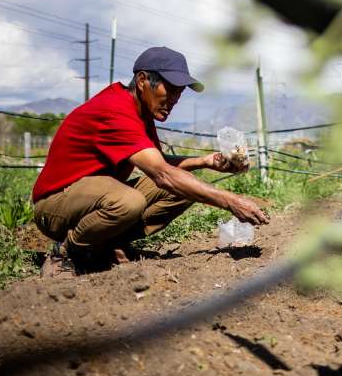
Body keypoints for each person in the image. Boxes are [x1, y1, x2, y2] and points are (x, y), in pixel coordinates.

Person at [31, 46, 269, 277]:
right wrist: (231, 201)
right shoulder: (115, 111)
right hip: (54, 205)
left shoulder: (140, 112)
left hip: (90, 200)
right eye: (171, 88)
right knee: (129, 201)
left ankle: (105, 244)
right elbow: (163, 175)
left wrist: (205, 161)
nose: (175, 99)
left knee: (183, 188)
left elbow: (159, 163)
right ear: (143, 80)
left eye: (180, 91)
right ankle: (66, 253)